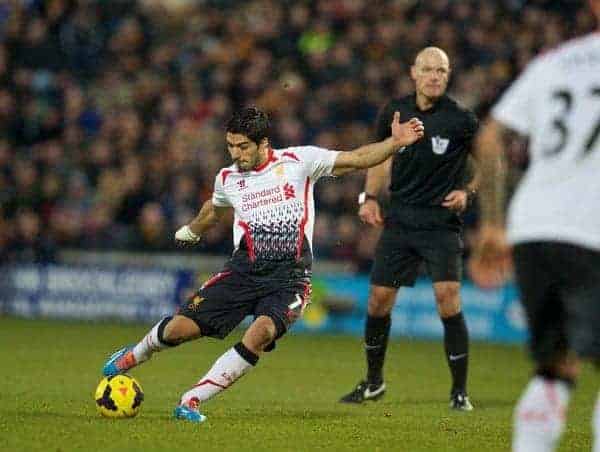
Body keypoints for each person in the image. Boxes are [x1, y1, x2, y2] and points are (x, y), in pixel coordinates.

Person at [101, 106, 424, 423]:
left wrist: (395, 143)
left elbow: (356, 159)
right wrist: (192, 231)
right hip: (242, 272)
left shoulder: (300, 161)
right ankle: (134, 355)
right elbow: (213, 209)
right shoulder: (227, 178)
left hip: (290, 278)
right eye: (230, 146)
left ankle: (191, 400)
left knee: (262, 332)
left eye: (242, 147)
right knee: (178, 330)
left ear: (263, 144)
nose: (235, 154)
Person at [469, 0, 600, 449]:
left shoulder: (555, 61)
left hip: (533, 227)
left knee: (554, 368)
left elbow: (489, 138)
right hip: (592, 228)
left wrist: (492, 225)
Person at [339, 47, 479, 411]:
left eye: (441, 70)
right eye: (428, 69)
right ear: (413, 73)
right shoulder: (394, 112)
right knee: (378, 302)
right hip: (400, 221)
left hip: (440, 225)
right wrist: (368, 197)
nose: (435, 76)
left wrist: (467, 190)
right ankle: (373, 383)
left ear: (448, 76)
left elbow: (485, 165)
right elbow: (380, 156)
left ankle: (459, 392)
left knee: (448, 301)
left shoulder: (461, 119)